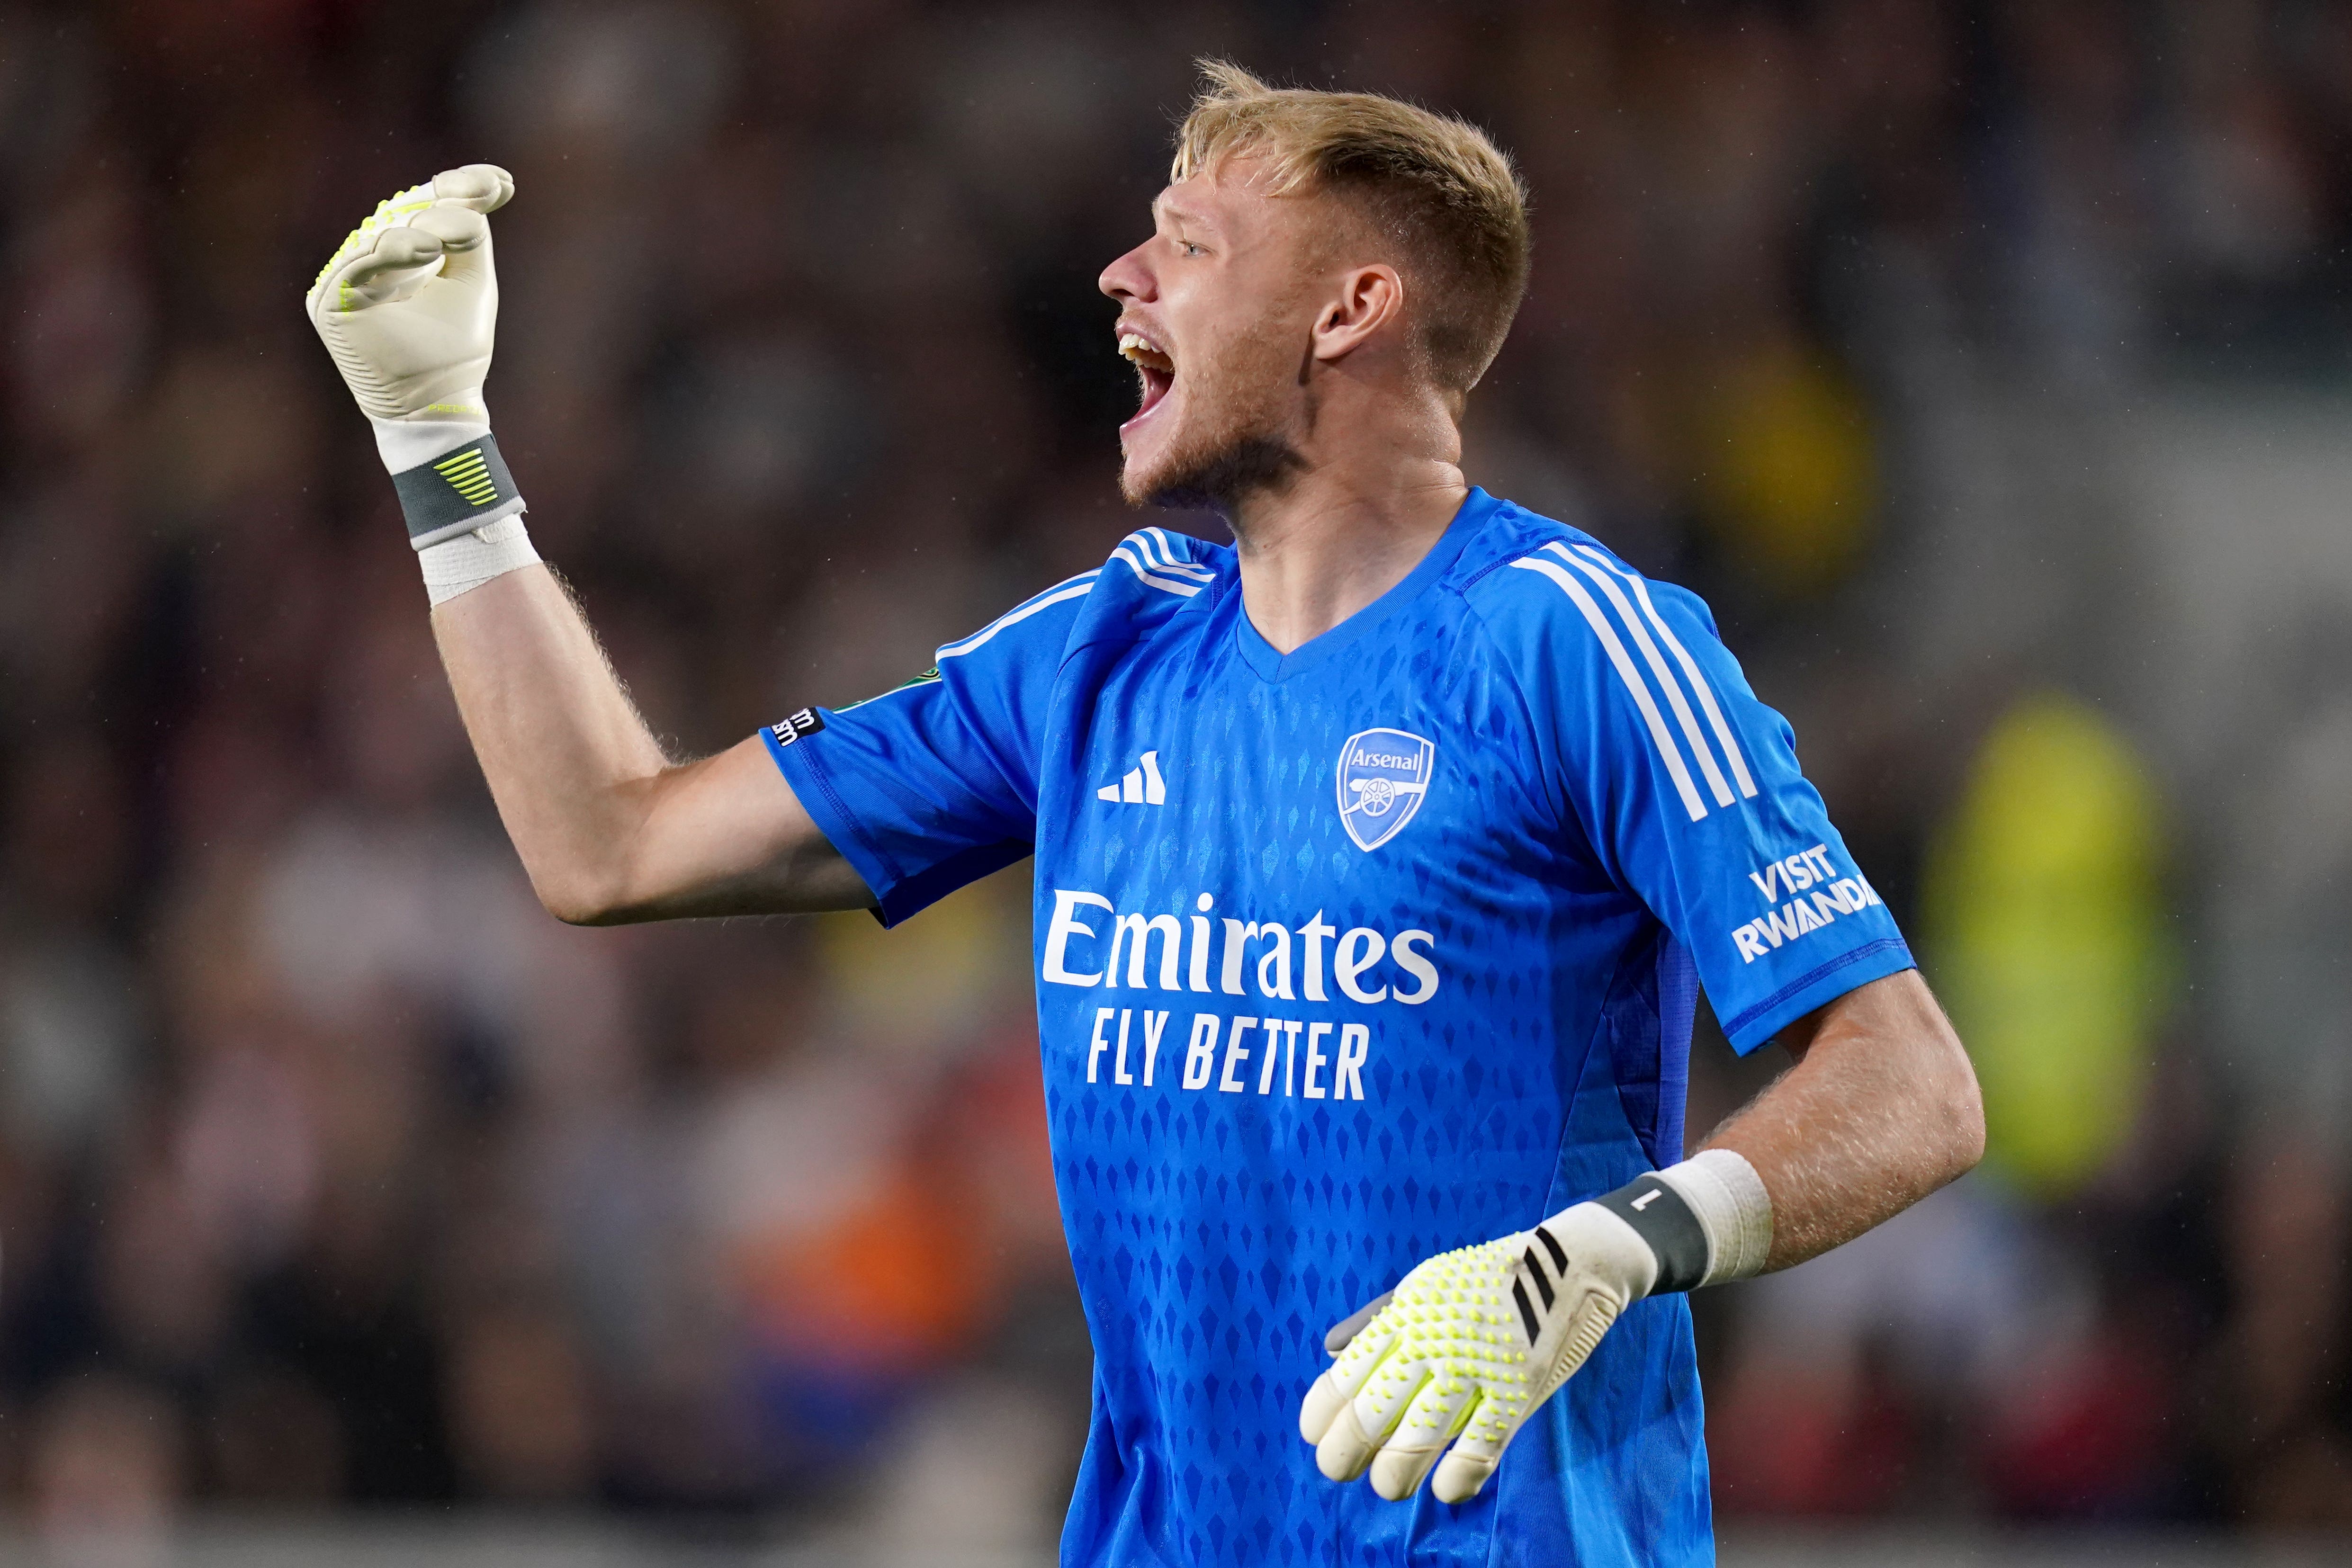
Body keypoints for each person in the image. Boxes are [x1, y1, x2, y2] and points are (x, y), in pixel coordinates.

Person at [305, 61, 1983, 1568]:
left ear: (1351, 307)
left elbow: (1912, 1083)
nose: (1122, 277)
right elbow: (610, 846)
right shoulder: (1099, 656)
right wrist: (437, 439)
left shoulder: (1564, 643)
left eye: (1186, 242)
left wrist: (1604, 1252)